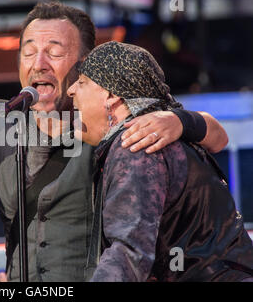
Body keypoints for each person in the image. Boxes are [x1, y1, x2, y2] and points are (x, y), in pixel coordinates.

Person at [0, 2, 229, 282]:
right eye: (29, 52)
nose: (39, 64)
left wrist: (179, 120)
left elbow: (218, 136)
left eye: (55, 52)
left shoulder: (120, 131)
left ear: (86, 65)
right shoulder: (0, 129)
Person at [67, 41, 253, 281]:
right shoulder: (162, 132)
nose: (71, 90)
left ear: (111, 95)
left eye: (82, 82)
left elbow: (128, 253)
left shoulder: (136, 145)